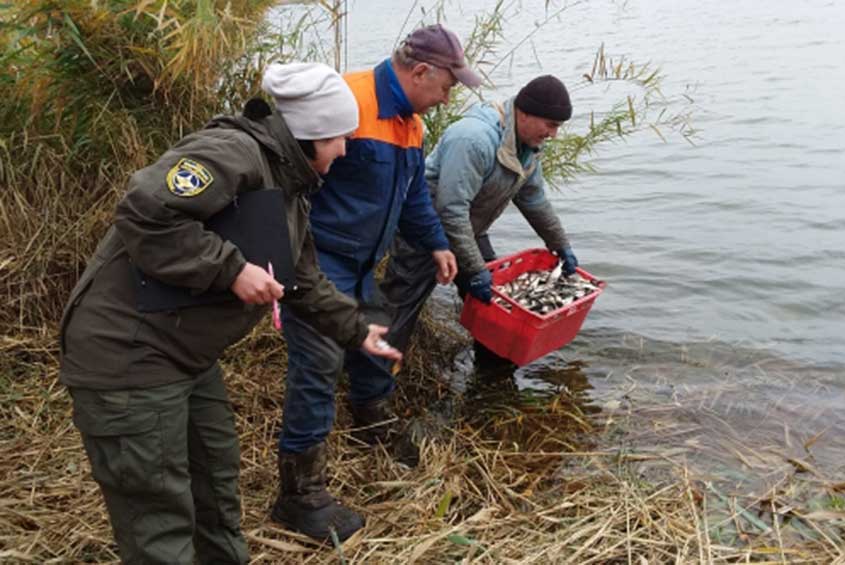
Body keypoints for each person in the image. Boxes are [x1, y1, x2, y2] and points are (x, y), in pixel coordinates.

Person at [57, 62, 401, 565]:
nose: (345, 150)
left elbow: (300, 279)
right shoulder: (232, 154)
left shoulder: (292, 183)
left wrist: (357, 331)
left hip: (186, 356)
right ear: (310, 134)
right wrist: (231, 269)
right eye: (338, 139)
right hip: (127, 357)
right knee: (160, 518)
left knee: (217, 492)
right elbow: (144, 211)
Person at [271, 24, 481, 540]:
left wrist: (436, 243)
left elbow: (411, 197)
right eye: (448, 85)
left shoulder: (412, 125)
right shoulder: (347, 100)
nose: (448, 97)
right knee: (318, 362)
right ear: (420, 71)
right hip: (319, 258)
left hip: (366, 262)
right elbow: (284, 179)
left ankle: (371, 416)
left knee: (376, 333)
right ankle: (299, 494)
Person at [377, 74, 579, 368]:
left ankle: (494, 371)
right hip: (422, 230)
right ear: (524, 113)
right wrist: (473, 268)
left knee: (495, 305)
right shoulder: (473, 138)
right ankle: (372, 389)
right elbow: (451, 209)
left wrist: (561, 246)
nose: (554, 134)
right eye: (550, 125)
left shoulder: (527, 148)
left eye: (557, 126)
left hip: (468, 228)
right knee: (399, 309)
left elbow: (534, 199)